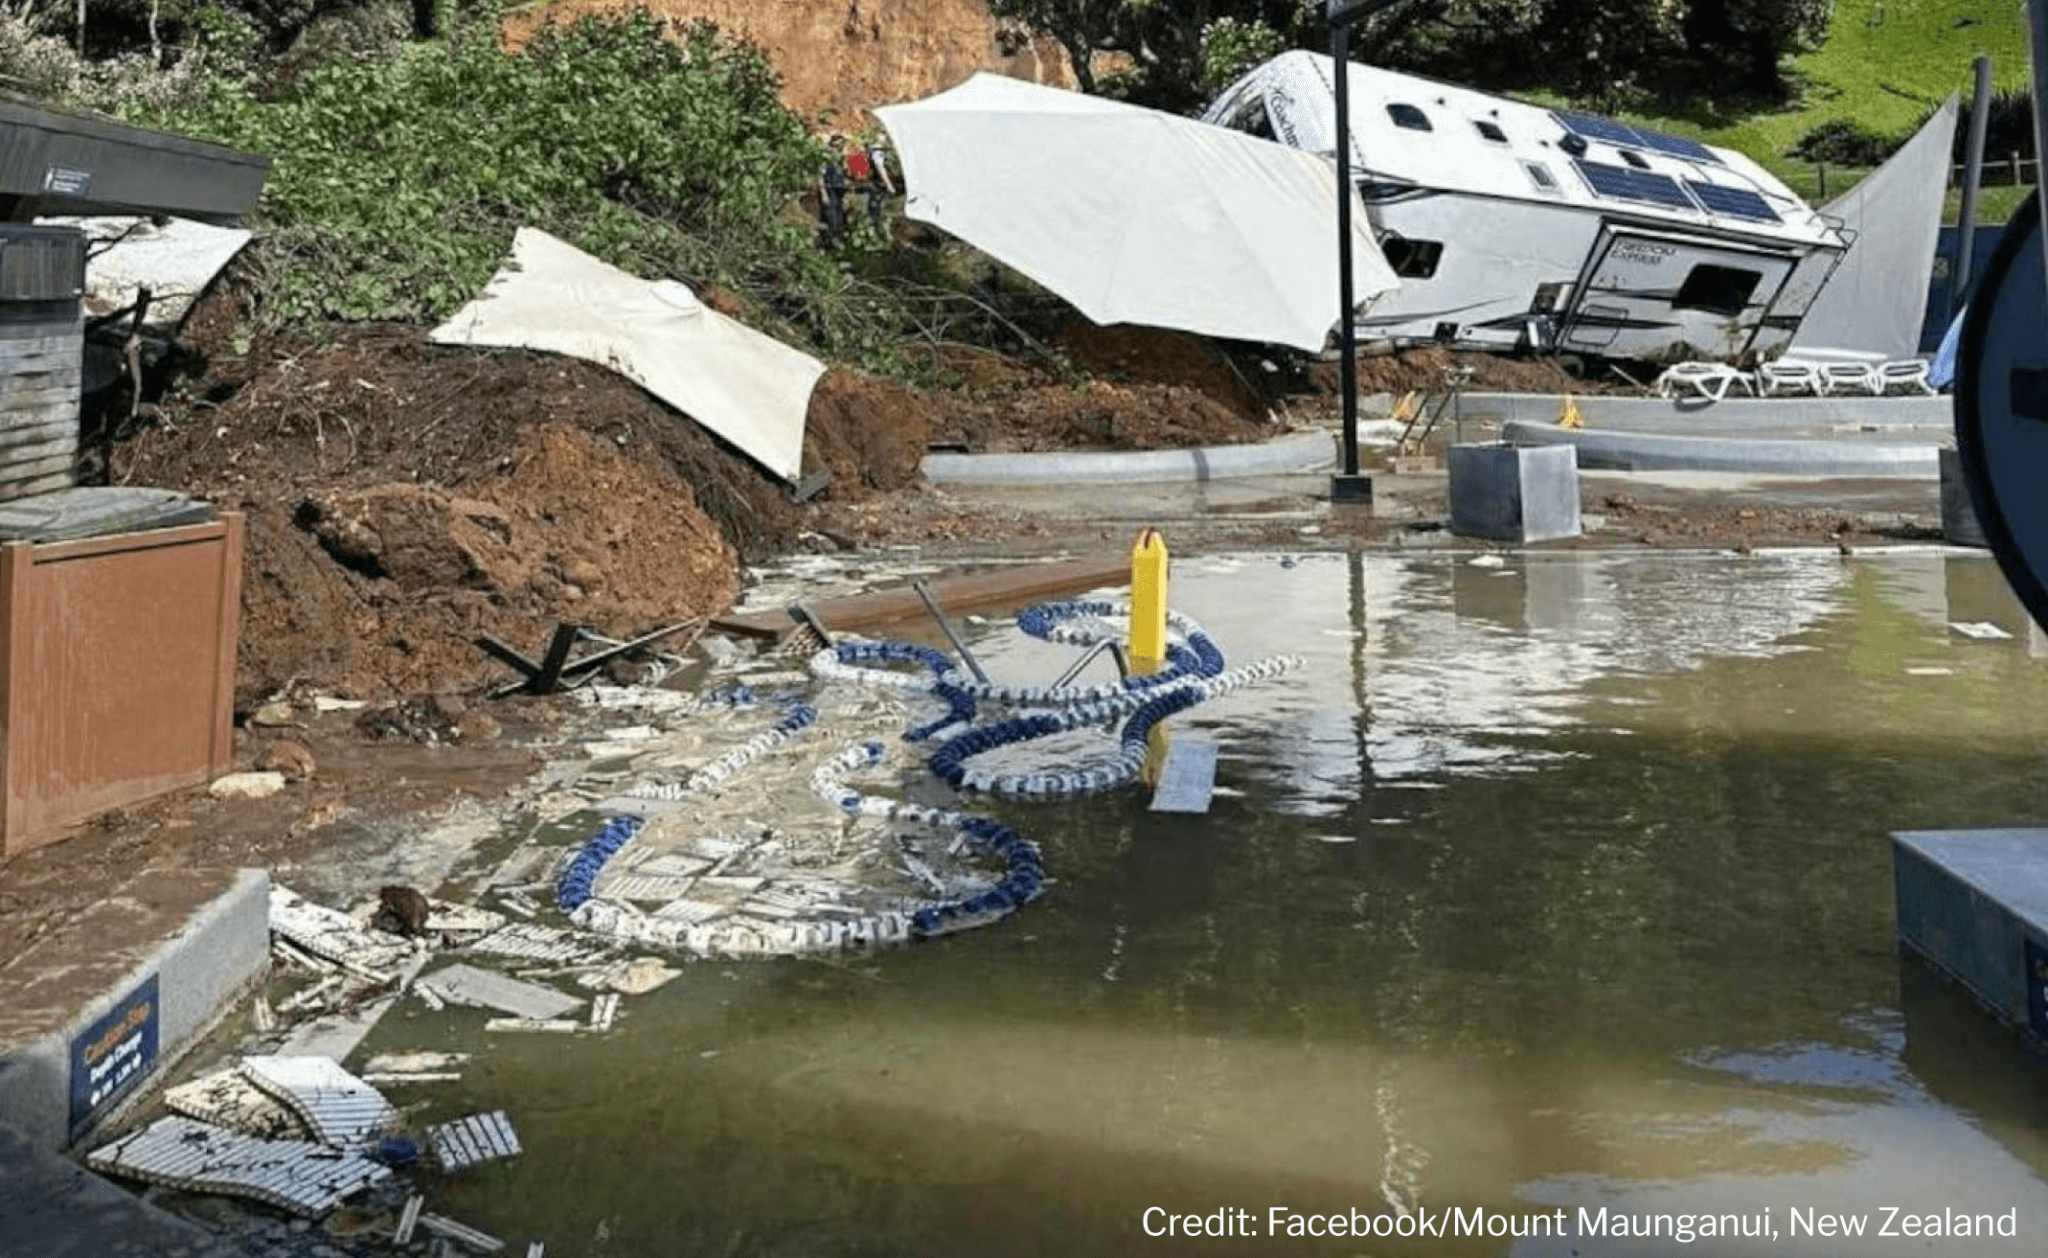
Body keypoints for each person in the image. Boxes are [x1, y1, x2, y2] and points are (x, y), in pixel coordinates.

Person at [817, 135, 849, 247]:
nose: (837, 148)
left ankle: (838, 238)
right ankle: (831, 240)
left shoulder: (840, 159)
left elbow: (844, 176)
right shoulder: (825, 158)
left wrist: (846, 195)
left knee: (840, 215)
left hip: (839, 189)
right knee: (831, 216)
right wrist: (823, 193)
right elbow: (820, 176)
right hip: (829, 189)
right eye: (835, 145)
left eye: (839, 146)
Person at [862, 138, 896, 230]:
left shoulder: (875, 152)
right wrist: (889, 185)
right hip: (875, 186)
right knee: (874, 212)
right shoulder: (877, 153)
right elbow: (881, 169)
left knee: (876, 210)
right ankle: (873, 231)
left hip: (874, 185)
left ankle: (875, 230)